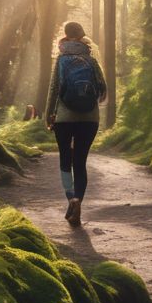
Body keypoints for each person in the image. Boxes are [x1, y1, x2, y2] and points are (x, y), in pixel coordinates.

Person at [45, 21, 107, 226]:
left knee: (65, 160)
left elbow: (54, 90)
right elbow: (103, 91)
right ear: (82, 36)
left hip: (64, 119)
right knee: (80, 163)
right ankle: (79, 200)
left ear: (65, 35)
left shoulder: (61, 59)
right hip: (89, 119)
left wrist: (49, 115)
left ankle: (71, 199)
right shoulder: (91, 59)